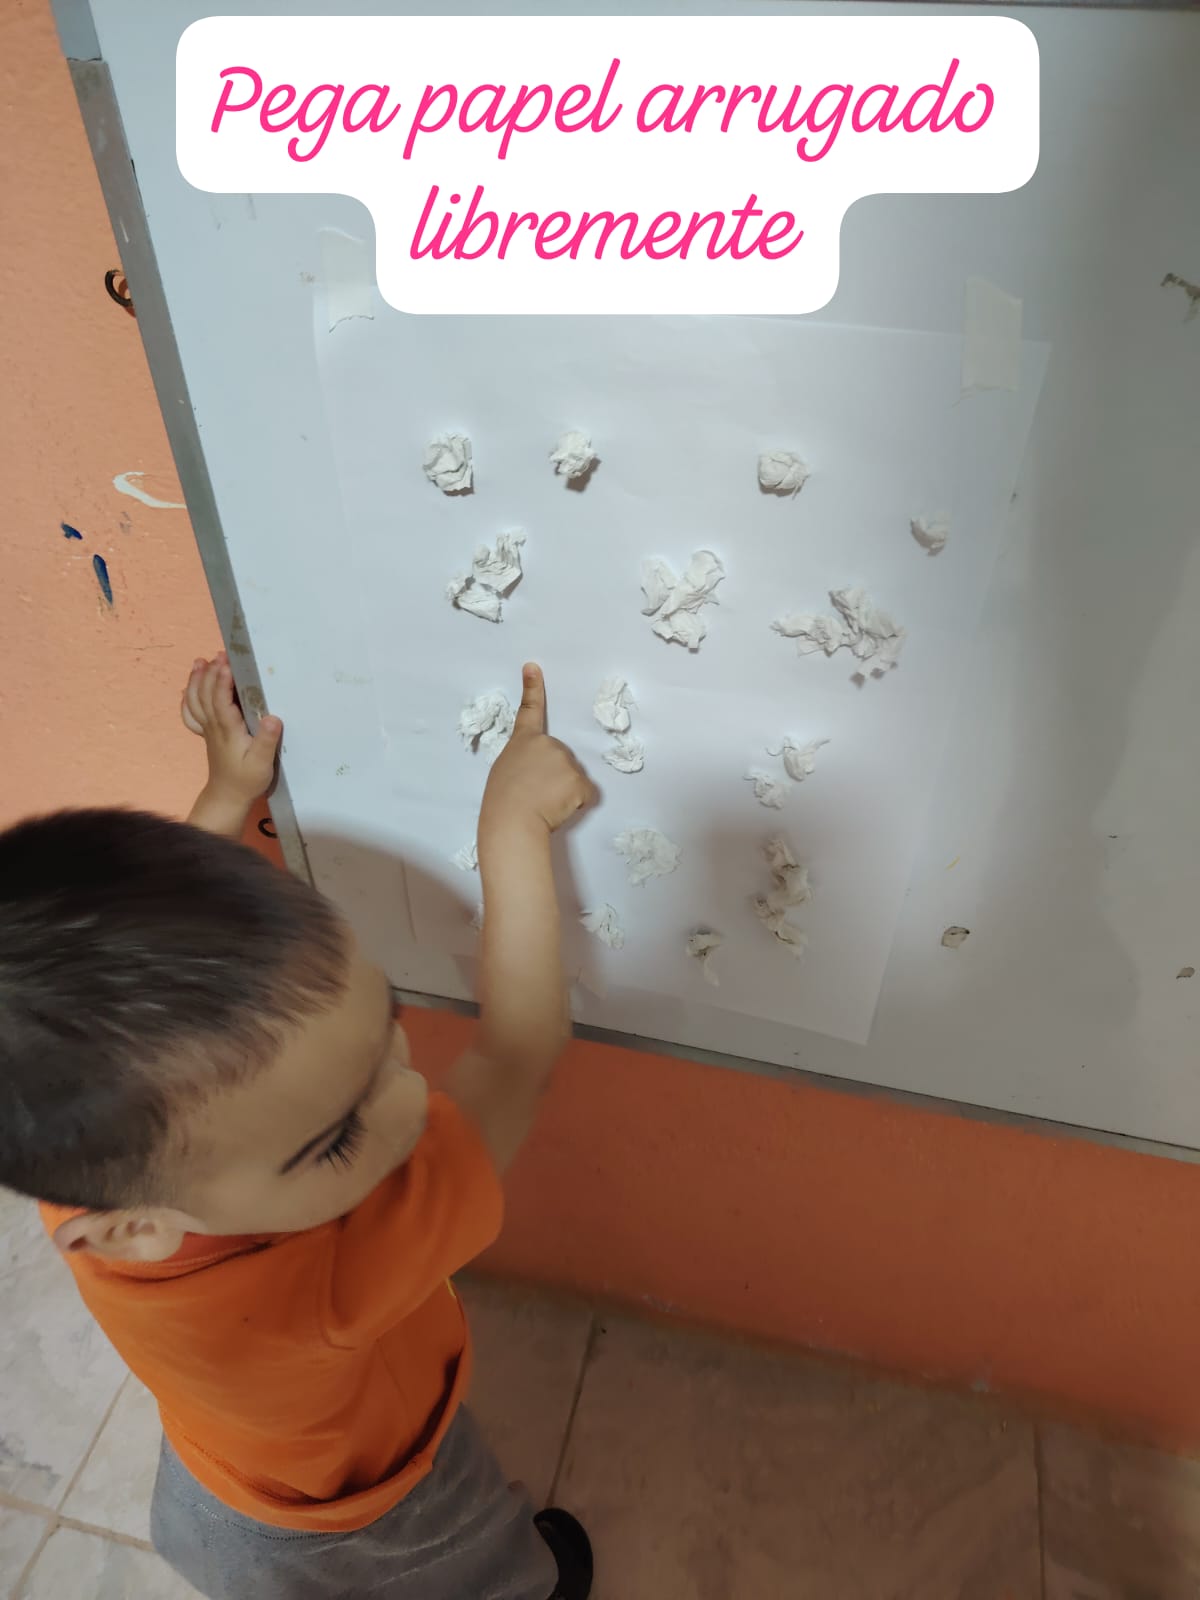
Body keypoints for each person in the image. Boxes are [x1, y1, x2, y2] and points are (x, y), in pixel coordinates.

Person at [0, 651, 598, 1600]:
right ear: (134, 1227)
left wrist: (225, 794)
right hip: (373, 1513)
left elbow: (142, 981)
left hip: (216, 1482)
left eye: (389, 1026)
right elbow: (517, 1056)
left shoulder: (91, 1151)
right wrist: (512, 828)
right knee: (486, 1571)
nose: (414, 1101)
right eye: (338, 1139)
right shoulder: (329, 1283)